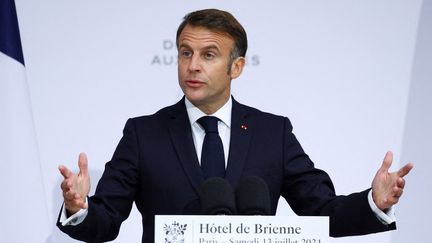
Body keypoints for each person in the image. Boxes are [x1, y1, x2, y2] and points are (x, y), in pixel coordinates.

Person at [57, 8, 414, 243]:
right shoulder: (143, 133)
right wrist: (79, 207)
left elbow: (321, 212)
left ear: (237, 67)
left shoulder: (273, 133)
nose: (192, 65)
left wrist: (374, 203)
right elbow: (106, 221)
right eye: (185, 53)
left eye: (208, 55)